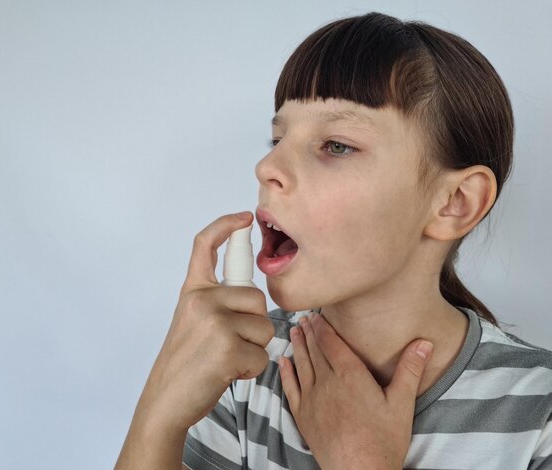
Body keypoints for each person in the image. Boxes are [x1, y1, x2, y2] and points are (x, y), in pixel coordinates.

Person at [116, 11, 552, 470]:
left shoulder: (539, 414)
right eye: (277, 138)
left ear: (455, 202)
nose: (268, 169)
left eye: (336, 145)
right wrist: (159, 414)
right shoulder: (244, 369)